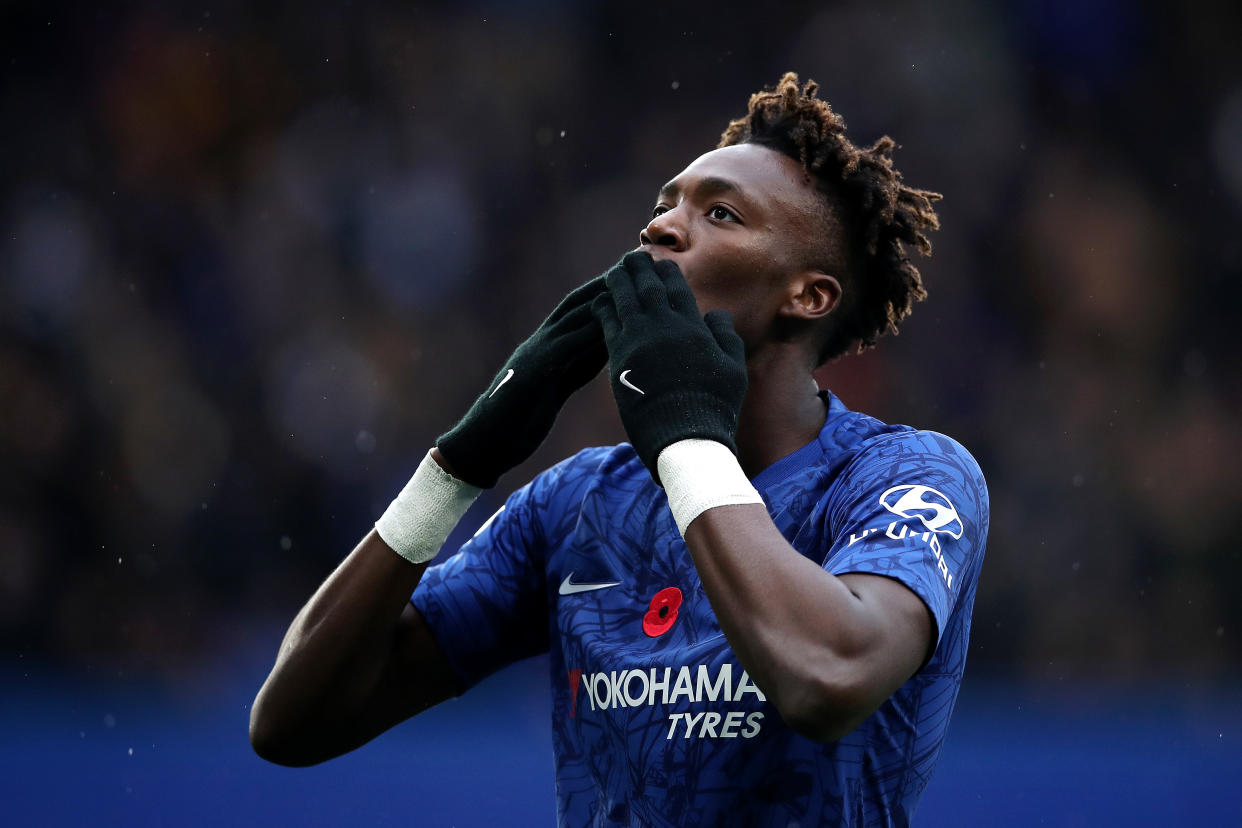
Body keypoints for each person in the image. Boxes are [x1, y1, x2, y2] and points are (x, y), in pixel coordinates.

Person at [250, 72, 989, 827]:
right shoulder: (577, 504)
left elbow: (826, 678)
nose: (661, 228)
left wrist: (689, 434)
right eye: (664, 204)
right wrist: (459, 466)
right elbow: (291, 725)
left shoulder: (905, 476)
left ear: (809, 295)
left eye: (721, 214)